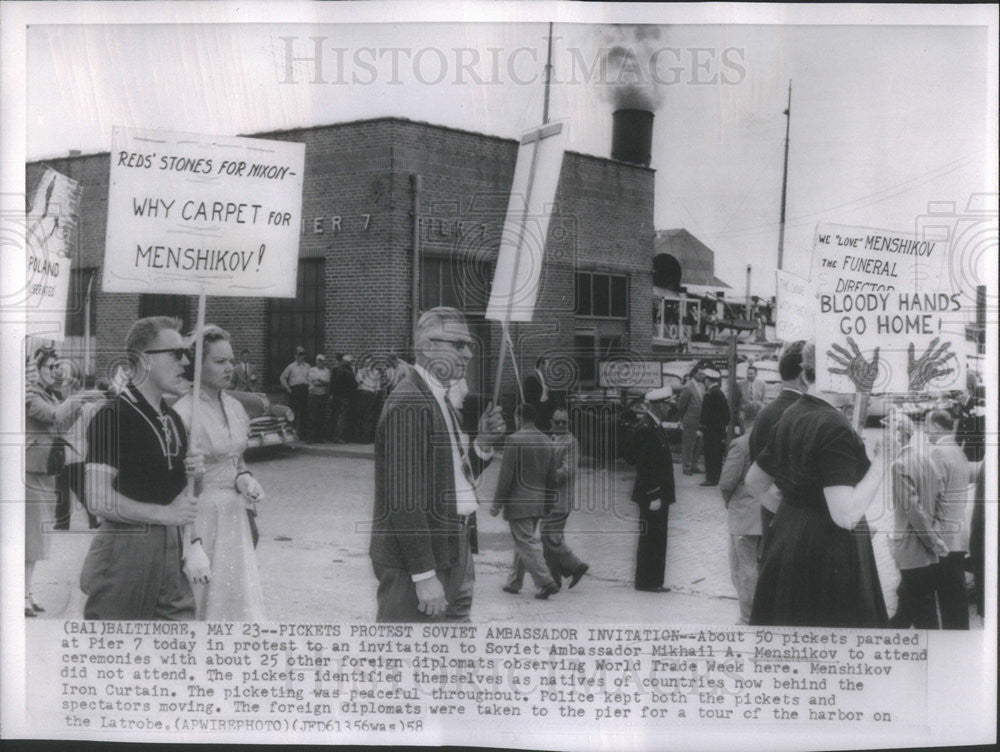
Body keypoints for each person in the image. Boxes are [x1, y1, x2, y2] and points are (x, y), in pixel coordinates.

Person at [369, 307, 505, 622]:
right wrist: (423, 574)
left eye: (468, 345)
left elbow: (452, 476)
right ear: (428, 346)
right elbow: (404, 499)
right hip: (418, 561)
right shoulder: (410, 403)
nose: (468, 353)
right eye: (458, 344)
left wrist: (483, 443)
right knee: (406, 660)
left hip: (454, 548)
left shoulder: (439, 398)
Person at [745, 341, 888, 628]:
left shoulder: (792, 412)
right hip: (827, 557)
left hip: (787, 545)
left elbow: (753, 482)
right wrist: (884, 460)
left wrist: (794, 513)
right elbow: (845, 515)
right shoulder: (833, 425)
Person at [79, 316, 202, 620]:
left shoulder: (172, 418)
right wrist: (164, 514)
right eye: (176, 353)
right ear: (144, 360)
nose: (185, 362)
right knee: (116, 651)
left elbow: (182, 500)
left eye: (185, 353)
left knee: (177, 649)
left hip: (170, 547)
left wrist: (196, 475)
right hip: (125, 548)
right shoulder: (112, 416)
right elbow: (98, 499)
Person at [173, 326, 267, 621]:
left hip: (235, 516)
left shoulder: (235, 406)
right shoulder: (183, 412)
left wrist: (244, 478)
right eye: (219, 361)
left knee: (237, 601)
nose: (230, 368)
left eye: (231, 360)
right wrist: (192, 541)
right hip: (202, 517)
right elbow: (177, 485)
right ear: (197, 364)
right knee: (204, 601)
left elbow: (236, 459)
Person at [24, 348, 103, 615]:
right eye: (50, 366)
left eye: (57, 365)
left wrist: (79, 404)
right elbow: (53, 416)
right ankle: (21, 594)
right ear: (37, 368)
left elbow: (61, 425)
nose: (55, 370)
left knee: (37, 538)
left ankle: (26, 592)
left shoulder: (47, 395)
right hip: (32, 471)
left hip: (44, 470)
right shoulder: (31, 395)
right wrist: (78, 397)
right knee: (31, 538)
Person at [883, 413, 947, 629]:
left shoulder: (899, 465)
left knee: (923, 614)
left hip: (912, 549)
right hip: (925, 550)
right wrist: (935, 535)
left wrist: (931, 540)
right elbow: (940, 498)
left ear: (900, 434)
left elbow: (913, 510)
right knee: (909, 603)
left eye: (890, 433)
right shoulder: (926, 459)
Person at [491, 404, 560, 600]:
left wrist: (497, 504)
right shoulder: (547, 441)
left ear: (518, 417)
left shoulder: (514, 440)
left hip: (519, 502)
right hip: (538, 503)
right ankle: (514, 581)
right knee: (523, 541)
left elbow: (506, 476)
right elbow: (552, 477)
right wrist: (549, 502)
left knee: (526, 542)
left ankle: (545, 581)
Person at [749, 341, 807, 552]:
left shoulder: (765, 413)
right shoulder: (805, 413)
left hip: (768, 509)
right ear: (803, 375)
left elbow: (755, 463)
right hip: (798, 516)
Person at [624, 386, 676, 593]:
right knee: (651, 537)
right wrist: (654, 494)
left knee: (656, 536)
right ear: (660, 405)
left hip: (657, 493)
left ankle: (653, 580)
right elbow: (645, 464)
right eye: (667, 404)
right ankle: (647, 581)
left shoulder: (653, 425)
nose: (669, 408)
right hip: (652, 494)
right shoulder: (646, 428)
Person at [926, 409, 973, 629]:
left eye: (927, 427)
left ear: (936, 427)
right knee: (956, 593)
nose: (926, 432)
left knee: (944, 594)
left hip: (943, 535)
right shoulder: (957, 451)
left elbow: (933, 496)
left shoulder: (937, 452)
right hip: (959, 532)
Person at [542, 409, 589, 590]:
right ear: (551, 422)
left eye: (564, 422)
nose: (561, 425)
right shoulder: (551, 438)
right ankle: (555, 579)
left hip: (560, 500)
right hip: (550, 500)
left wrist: (547, 476)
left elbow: (568, 470)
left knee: (549, 537)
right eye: (558, 422)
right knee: (551, 540)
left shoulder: (571, 442)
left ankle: (576, 566)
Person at [719, 430, 760, 624]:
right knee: (758, 567)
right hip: (766, 513)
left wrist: (729, 501)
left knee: (742, 569)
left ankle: (747, 617)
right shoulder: (772, 441)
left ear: (743, 417)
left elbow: (726, 482)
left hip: (744, 515)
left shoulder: (741, 444)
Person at [698, 369, 730, 486]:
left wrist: (701, 428)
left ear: (708, 380)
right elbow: (726, 415)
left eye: (705, 379)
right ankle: (716, 477)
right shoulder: (719, 393)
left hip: (711, 430)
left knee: (710, 453)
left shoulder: (710, 394)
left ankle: (711, 478)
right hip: (719, 430)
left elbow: (705, 414)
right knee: (717, 454)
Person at [677, 369, 705, 475]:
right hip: (690, 420)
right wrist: (682, 418)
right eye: (700, 374)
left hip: (700, 420)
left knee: (698, 444)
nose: (702, 376)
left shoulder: (702, 386)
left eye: (703, 374)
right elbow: (681, 405)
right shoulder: (688, 387)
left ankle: (694, 465)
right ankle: (687, 467)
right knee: (688, 444)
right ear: (694, 374)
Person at [280, 346, 311, 437]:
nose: (300, 357)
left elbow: (311, 378)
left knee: (304, 412)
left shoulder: (307, 366)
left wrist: (309, 387)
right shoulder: (291, 366)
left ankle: (303, 434)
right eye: (298, 355)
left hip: (304, 390)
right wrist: (288, 389)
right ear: (295, 356)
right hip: (295, 390)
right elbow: (282, 378)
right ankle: (292, 432)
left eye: (302, 355)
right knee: (294, 412)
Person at [524, 355, 556, 433]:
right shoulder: (531, 380)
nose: (548, 368)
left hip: (546, 417)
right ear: (540, 365)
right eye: (546, 365)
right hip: (538, 417)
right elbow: (530, 400)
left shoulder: (545, 380)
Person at [329, 354, 356, 443]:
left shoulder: (335, 370)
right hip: (345, 397)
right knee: (342, 417)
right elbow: (354, 385)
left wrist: (331, 394)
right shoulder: (349, 372)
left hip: (335, 396)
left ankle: (333, 435)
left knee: (335, 416)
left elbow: (331, 384)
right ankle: (339, 437)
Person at [305, 354, 331, 443]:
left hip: (322, 395)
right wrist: (321, 380)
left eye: (322, 361)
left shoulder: (326, 371)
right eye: (318, 360)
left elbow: (327, 381)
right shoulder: (312, 370)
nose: (320, 362)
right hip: (313, 395)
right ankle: (310, 437)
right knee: (312, 416)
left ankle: (319, 437)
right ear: (316, 361)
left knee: (321, 417)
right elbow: (313, 381)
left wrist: (319, 380)